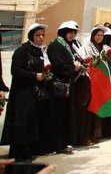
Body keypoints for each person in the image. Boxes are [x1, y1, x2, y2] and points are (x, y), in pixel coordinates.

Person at [1, 23, 53, 160]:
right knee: (21, 122)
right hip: (22, 94)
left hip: (35, 93)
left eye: (42, 35)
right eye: (38, 35)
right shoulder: (22, 51)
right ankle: (18, 153)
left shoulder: (42, 51)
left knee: (32, 121)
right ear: (31, 36)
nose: (41, 38)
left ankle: (30, 150)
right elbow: (15, 70)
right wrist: (34, 75)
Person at [46, 21, 81, 154]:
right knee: (58, 116)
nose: (72, 35)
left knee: (66, 115)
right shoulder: (56, 45)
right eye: (70, 32)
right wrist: (73, 67)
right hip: (59, 86)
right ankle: (56, 144)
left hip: (68, 84)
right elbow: (57, 65)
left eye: (74, 32)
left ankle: (63, 143)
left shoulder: (67, 45)